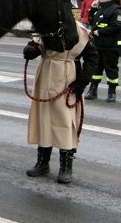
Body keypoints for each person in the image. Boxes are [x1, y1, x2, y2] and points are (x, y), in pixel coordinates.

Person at [22, 20, 97, 183]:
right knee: (44, 119)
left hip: (68, 78)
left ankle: (66, 167)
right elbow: (35, 46)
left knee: (66, 122)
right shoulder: (46, 25)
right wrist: (30, 50)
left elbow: (92, 57)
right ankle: (42, 163)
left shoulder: (79, 30)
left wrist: (82, 81)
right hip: (45, 75)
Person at [85, 0, 121, 103]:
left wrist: (99, 32)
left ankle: (112, 92)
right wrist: (92, 10)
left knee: (111, 70)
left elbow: (117, 26)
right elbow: (92, 21)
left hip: (110, 46)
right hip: (98, 44)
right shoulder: (99, 9)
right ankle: (93, 90)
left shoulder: (116, 10)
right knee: (96, 68)